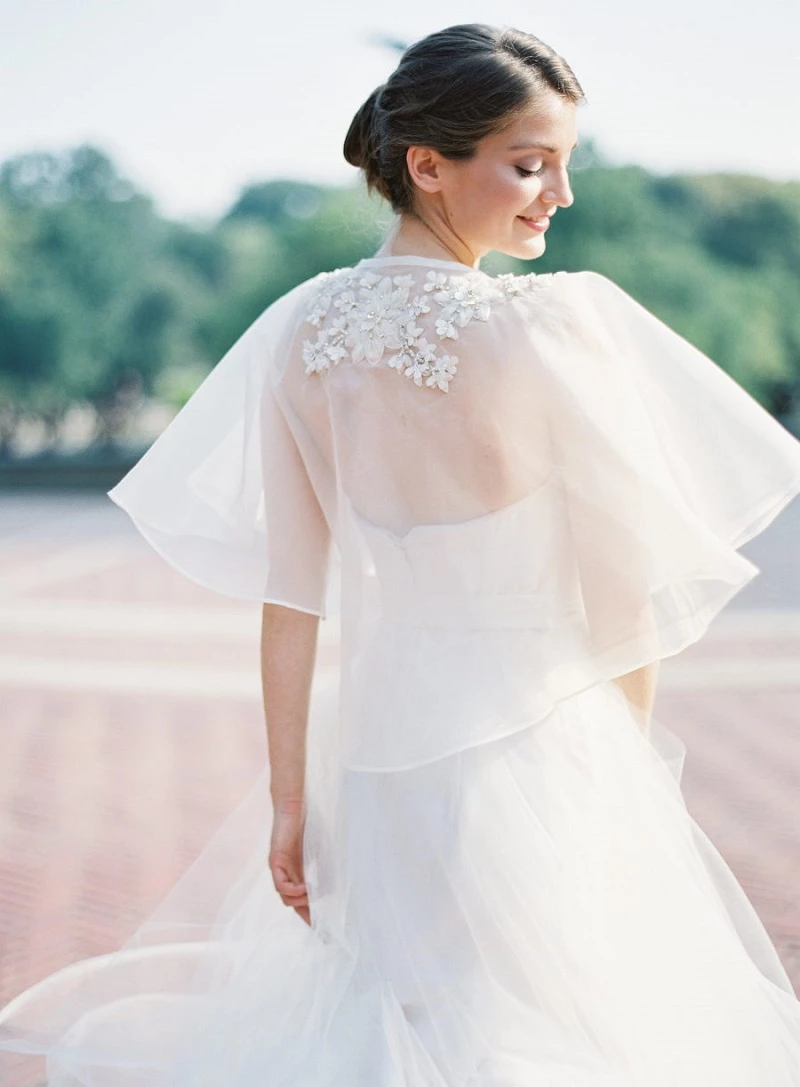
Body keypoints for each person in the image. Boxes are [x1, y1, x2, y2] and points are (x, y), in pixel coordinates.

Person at [2, 21, 800, 1087]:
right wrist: (628, 784)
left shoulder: (298, 331)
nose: (558, 194)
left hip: (371, 760)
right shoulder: (553, 328)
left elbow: (292, 596)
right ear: (427, 164)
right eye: (529, 165)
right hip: (538, 742)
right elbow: (620, 594)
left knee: (400, 1025)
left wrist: (291, 798)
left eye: (564, 164)